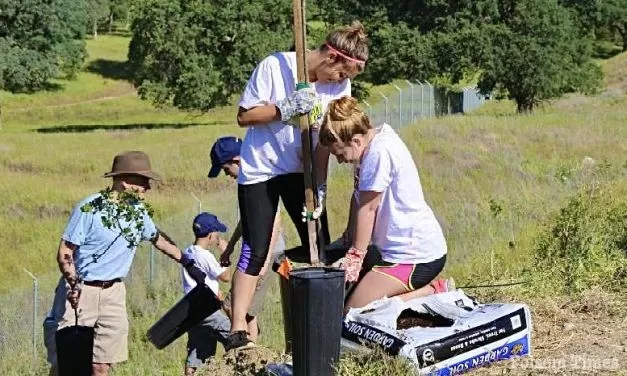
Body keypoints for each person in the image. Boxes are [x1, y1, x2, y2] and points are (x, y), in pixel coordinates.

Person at [227, 22, 370, 350]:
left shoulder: (339, 88)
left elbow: (325, 140)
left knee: (317, 245)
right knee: (256, 248)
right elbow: (244, 117)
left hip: (300, 171)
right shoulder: (275, 66)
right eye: (340, 74)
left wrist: (318, 187)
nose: (341, 82)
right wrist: (285, 108)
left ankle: (323, 320)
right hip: (261, 169)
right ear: (331, 58)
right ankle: (237, 329)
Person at [44, 151, 207, 376]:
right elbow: (65, 251)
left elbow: (158, 239)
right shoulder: (89, 208)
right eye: (143, 182)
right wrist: (73, 284)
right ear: (125, 181)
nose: (147, 188)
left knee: (102, 366)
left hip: (114, 294)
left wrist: (188, 263)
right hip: (82, 292)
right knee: (68, 365)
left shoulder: (138, 213)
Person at [318, 97, 454, 310]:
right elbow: (358, 197)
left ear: (355, 141)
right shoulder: (371, 144)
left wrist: (356, 256)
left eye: (340, 153)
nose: (340, 160)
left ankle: (431, 292)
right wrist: (349, 236)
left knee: (355, 311)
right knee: (350, 303)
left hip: (415, 256)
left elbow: (368, 208)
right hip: (394, 250)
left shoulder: (378, 152)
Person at [207, 136, 286, 343]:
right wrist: (230, 247)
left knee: (235, 307)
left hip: (267, 252)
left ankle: (250, 351)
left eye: (226, 170)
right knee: (244, 309)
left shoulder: (259, 178)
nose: (228, 176)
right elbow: (248, 219)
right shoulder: (248, 183)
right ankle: (250, 349)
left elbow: (275, 219)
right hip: (256, 252)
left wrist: (265, 260)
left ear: (237, 160)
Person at [182, 212, 232, 376]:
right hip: (206, 309)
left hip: (193, 308)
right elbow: (226, 277)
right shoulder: (205, 255)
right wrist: (225, 254)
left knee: (197, 353)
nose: (218, 236)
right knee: (234, 335)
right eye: (217, 232)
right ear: (210, 235)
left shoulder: (189, 251)